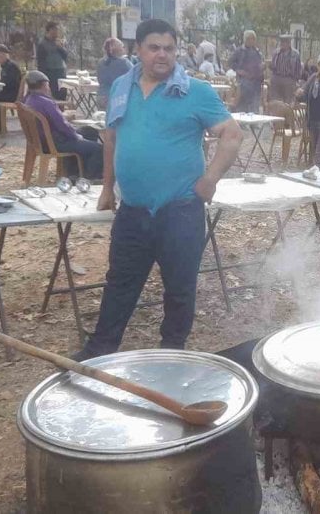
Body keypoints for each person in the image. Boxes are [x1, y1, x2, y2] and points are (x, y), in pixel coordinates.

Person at [73, 19, 243, 359]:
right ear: (138, 50)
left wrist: (210, 180)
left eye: (169, 48)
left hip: (180, 209)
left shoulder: (195, 91)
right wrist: (107, 187)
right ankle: (101, 349)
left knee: (179, 288)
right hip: (133, 209)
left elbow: (232, 134)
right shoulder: (122, 86)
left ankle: (172, 353)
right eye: (154, 47)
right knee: (120, 283)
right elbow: (112, 137)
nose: (162, 55)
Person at [23, 71, 103, 179]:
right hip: (56, 142)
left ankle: (73, 172)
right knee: (98, 149)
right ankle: (89, 178)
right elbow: (63, 126)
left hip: (40, 141)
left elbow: (55, 121)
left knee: (89, 130)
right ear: (44, 85)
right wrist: (76, 136)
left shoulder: (28, 100)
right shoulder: (47, 103)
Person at [229, 30, 264, 112]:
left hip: (256, 83)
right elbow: (230, 62)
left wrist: (262, 66)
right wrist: (239, 70)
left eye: (253, 39)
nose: (251, 41)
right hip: (243, 81)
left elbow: (260, 63)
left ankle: (254, 122)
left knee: (255, 105)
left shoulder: (257, 51)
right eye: (249, 39)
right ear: (245, 39)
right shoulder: (239, 51)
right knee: (242, 105)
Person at [96, 37, 133, 110]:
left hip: (101, 96)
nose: (124, 49)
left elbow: (99, 79)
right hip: (118, 97)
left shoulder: (100, 62)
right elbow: (135, 75)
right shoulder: (124, 63)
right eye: (122, 47)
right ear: (119, 49)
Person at [36, 21, 69, 100]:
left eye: (57, 30)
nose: (57, 32)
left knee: (62, 95)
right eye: (55, 29)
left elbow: (65, 56)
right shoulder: (42, 44)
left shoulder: (58, 43)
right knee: (52, 97)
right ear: (49, 30)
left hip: (61, 73)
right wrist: (43, 78)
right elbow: (41, 63)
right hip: (50, 73)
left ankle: (61, 112)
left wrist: (60, 47)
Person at [268, 35, 302, 104]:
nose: (283, 44)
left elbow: (298, 68)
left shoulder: (295, 54)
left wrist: (295, 80)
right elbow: (272, 66)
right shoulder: (276, 52)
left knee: (288, 103)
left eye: (285, 42)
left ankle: (286, 114)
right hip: (276, 79)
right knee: (275, 102)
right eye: (282, 42)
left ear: (289, 43)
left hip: (289, 80)